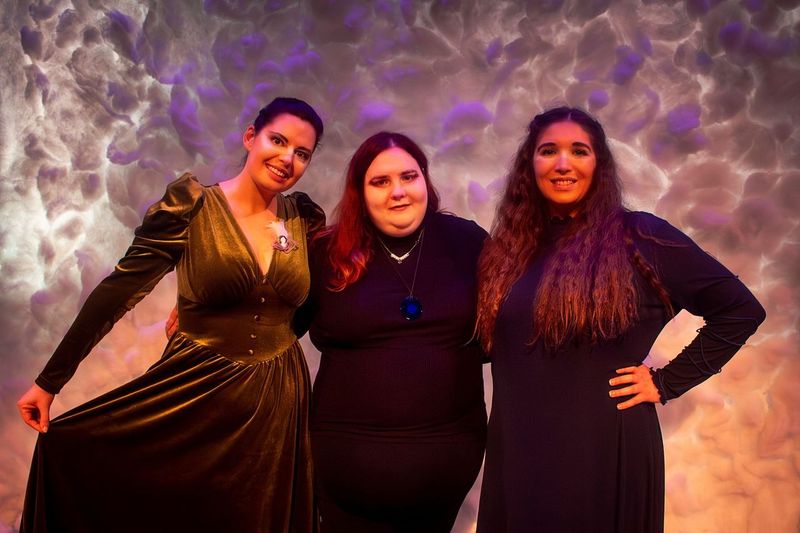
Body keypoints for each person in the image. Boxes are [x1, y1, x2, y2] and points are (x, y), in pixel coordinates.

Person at [16, 97, 326, 533]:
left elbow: (307, 309)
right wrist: (50, 382)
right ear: (251, 137)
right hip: (197, 390)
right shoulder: (193, 207)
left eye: (302, 153)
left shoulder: (303, 220)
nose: (287, 159)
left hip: (277, 401)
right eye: (278, 140)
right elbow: (118, 291)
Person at [475, 107, 766, 532]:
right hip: (519, 452)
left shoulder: (640, 238)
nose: (562, 163)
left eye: (579, 151)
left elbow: (740, 310)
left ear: (599, 164)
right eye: (548, 151)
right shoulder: (507, 252)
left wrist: (666, 382)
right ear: (529, 164)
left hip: (607, 452)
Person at [300, 132, 487, 532]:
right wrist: (206, 312)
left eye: (409, 176)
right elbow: (271, 325)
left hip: (446, 466)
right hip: (346, 468)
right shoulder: (324, 253)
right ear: (360, 193)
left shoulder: (468, 243)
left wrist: (655, 380)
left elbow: (520, 319)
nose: (398, 192)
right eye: (380, 182)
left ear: (425, 180)